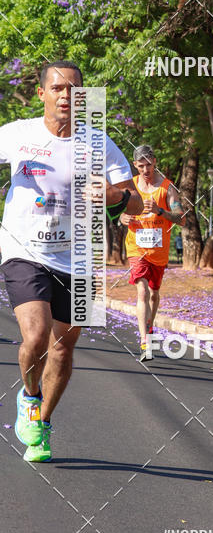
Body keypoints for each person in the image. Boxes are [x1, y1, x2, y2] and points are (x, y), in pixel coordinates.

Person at [0, 61, 143, 462]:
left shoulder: (99, 143)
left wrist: (115, 196)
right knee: (36, 335)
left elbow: (137, 200)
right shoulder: (18, 135)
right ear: (42, 93)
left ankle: (42, 426)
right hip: (23, 249)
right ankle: (29, 397)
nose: (66, 96)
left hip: (78, 255)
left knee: (63, 348)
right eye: (58, 88)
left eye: (75, 89)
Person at [120, 145, 184, 360]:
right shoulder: (130, 188)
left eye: (149, 164)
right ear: (135, 165)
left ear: (155, 162)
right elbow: (116, 211)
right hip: (136, 248)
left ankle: (149, 326)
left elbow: (181, 218)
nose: (145, 169)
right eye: (141, 165)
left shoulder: (167, 188)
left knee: (154, 293)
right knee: (142, 291)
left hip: (159, 250)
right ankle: (144, 342)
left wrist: (160, 211)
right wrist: (122, 218)